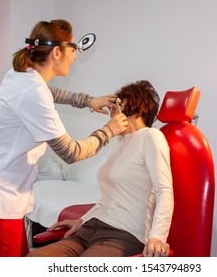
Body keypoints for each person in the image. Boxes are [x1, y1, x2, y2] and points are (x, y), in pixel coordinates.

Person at [0, 19, 128, 257]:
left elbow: (51, 92)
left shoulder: (22, 76)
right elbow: (71, 152)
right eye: (74, 50)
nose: (75, 56)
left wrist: (88, 101)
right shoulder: (32, 91)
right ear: (57, 52)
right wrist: (109, 130)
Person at [27, 80, 174, 257]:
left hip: (123, 234)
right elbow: (108, 198)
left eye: (113, 107)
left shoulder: (151, 136)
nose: (109, 115)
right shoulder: (121, 141)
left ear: (125, 104)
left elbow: (164, 190)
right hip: (90, 228)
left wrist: (157, 236)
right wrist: (82, 220)